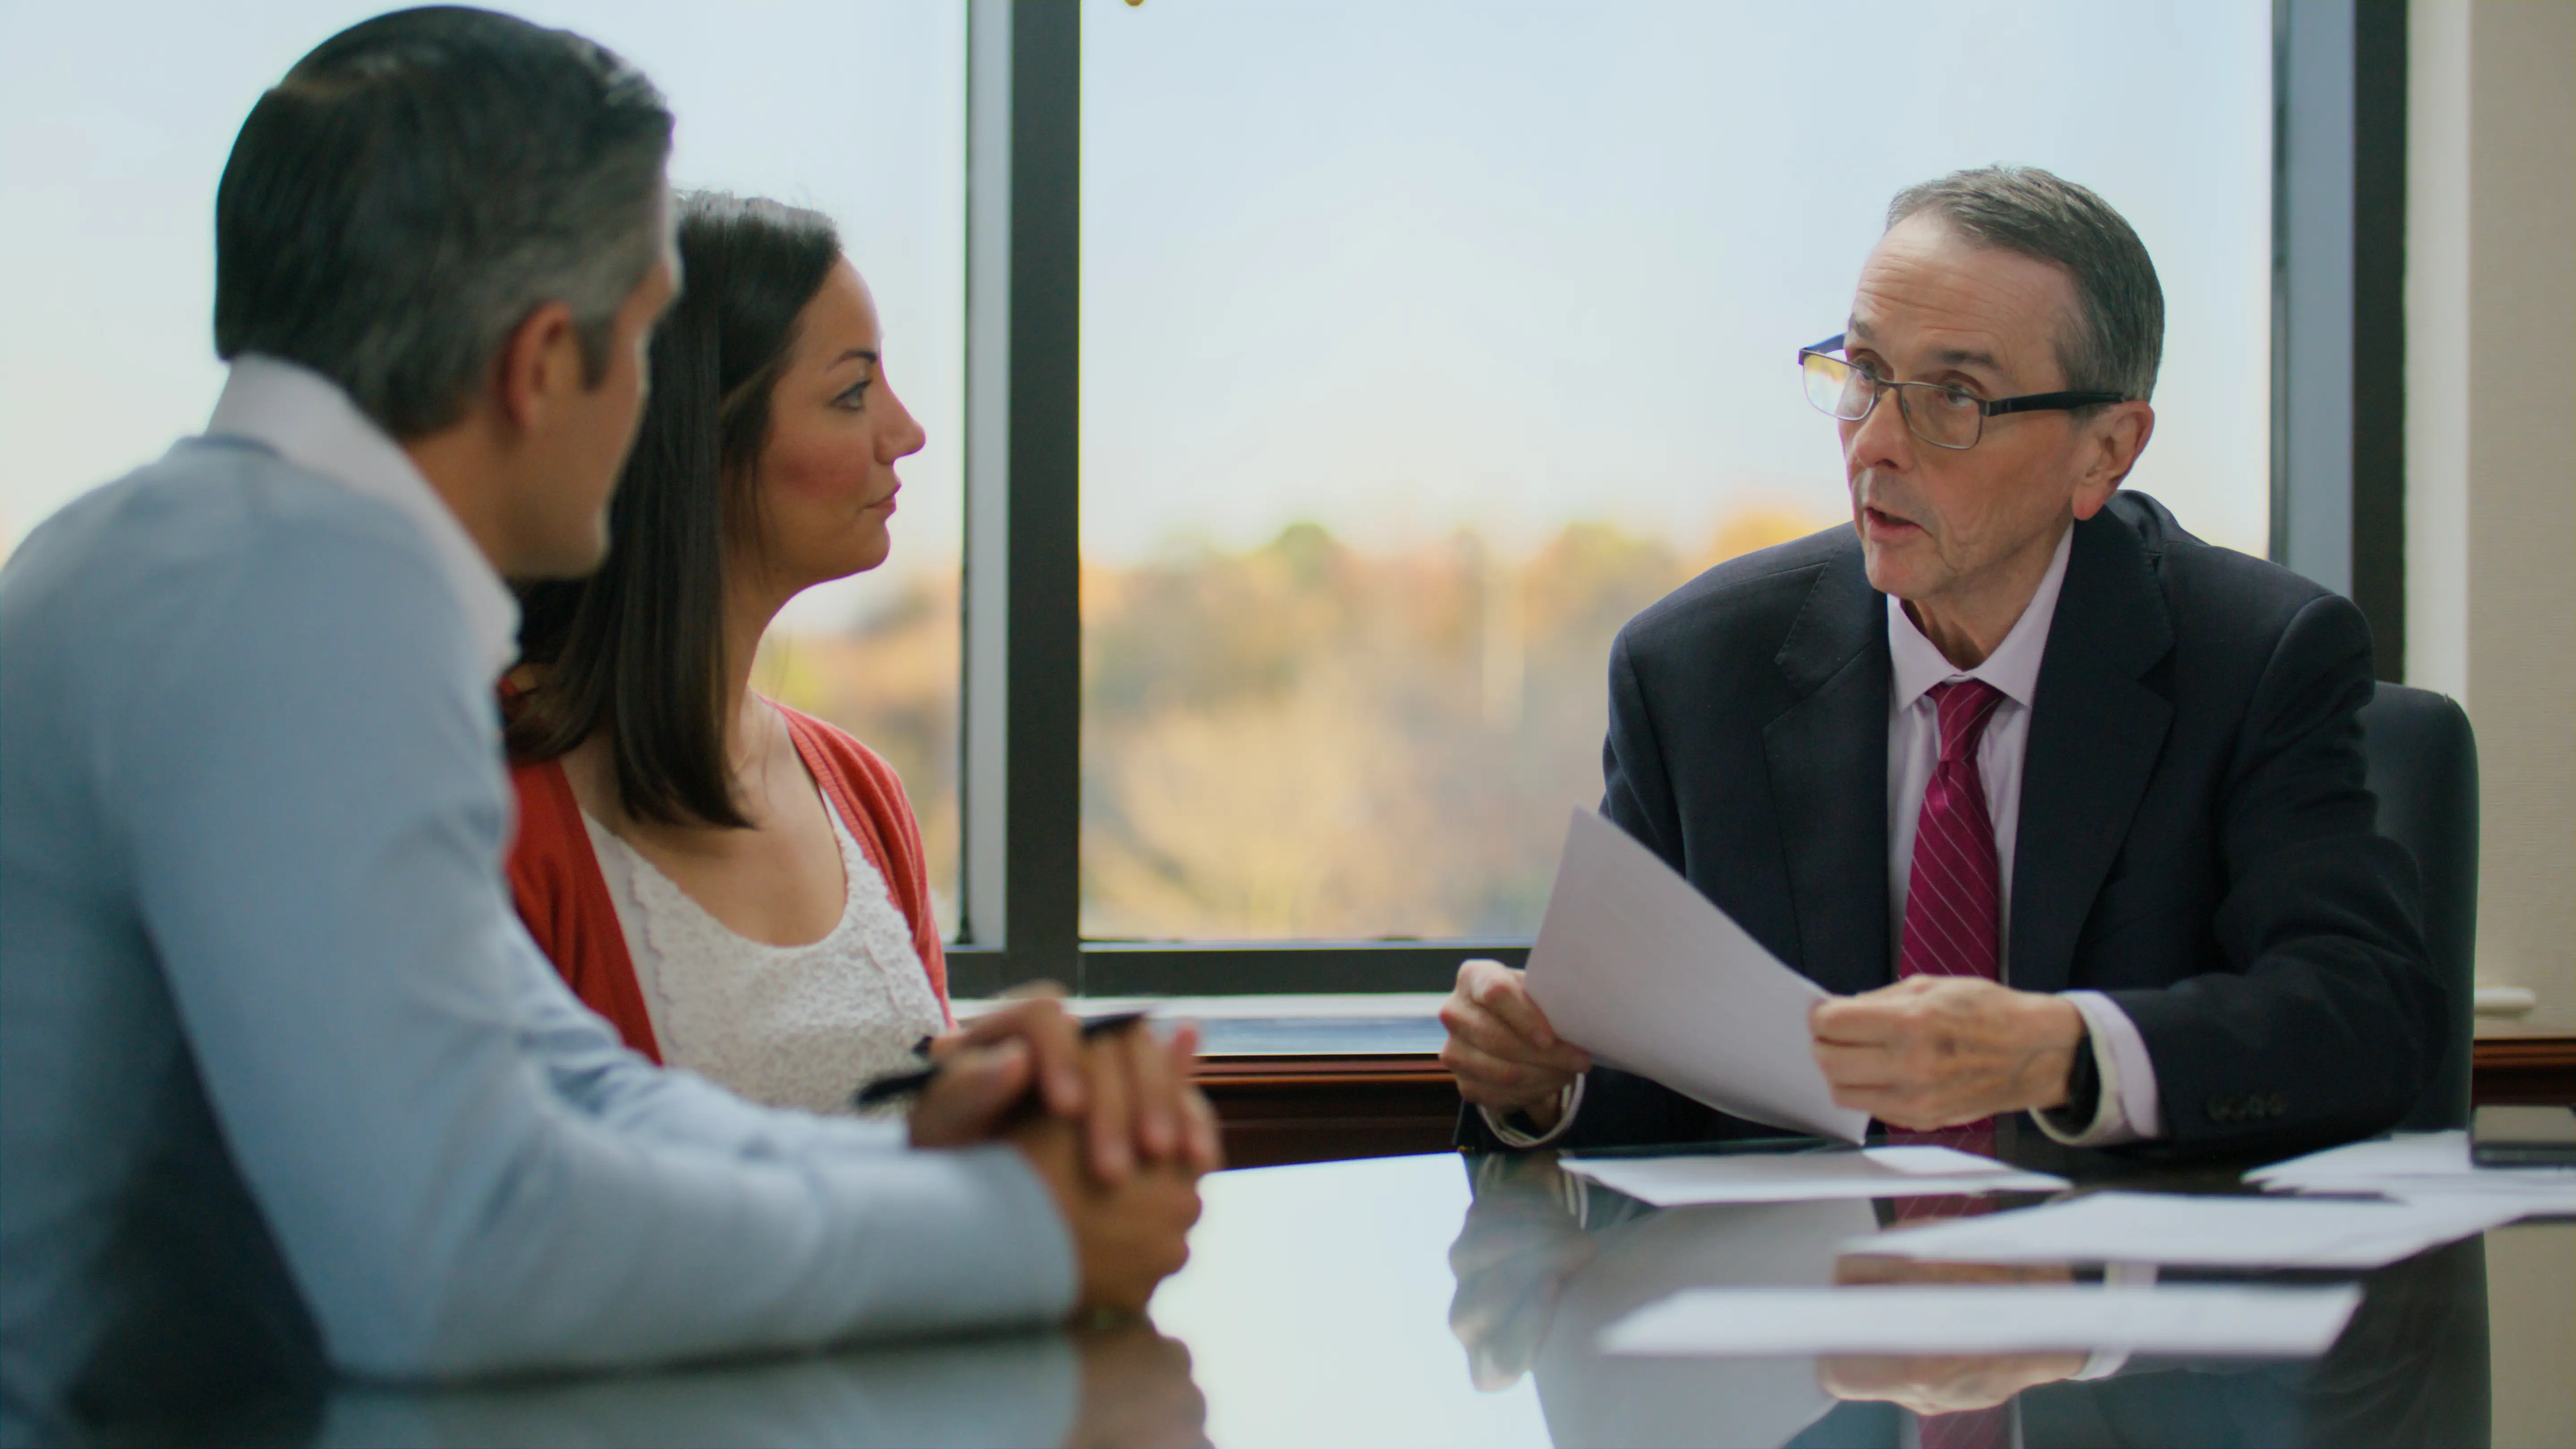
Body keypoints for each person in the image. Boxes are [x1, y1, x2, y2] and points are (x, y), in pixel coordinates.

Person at [0, 11, 1198, 1438]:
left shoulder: (152, 549)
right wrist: (1026, 1236)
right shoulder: (311, 595)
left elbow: (565, 1084)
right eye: (641, 338)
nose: (650, 408)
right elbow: (461, 1267)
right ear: (539, 364)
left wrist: (926, 1162)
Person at [1441, 165, 2441, 1155]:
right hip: (1803, 1298)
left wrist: (2065, 1051)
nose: (1875, 443)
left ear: (2105, 452)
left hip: (2123, 1297)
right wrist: (1541, 1083)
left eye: (1953, 397)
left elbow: (2367, 1019)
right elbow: (1655, 1081)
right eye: (1864, 374)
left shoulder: (2257, 658)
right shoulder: (1697, 675)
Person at [500, 191, 1217, 1182]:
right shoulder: (499, 808)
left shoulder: (862, 792)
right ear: (696, 446)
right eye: (851, 394)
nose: (908, 431)